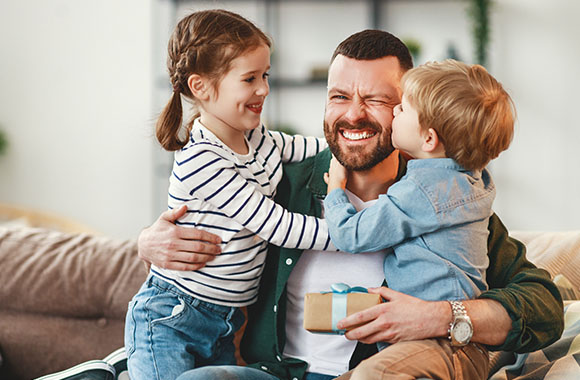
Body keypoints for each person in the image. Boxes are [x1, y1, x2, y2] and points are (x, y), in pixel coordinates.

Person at [138, 30, 564, 380]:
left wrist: (439, 317)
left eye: (377, 101)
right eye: (339, 96)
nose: (353, 115)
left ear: (412, 113)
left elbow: (544, 307)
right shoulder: (281, 184)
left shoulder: (444, 201)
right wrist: (147, 245)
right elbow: (205, 240)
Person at [125, 10, 335, 380]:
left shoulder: (259, 139)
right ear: (201, 87)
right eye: (250, 79)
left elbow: (320, 148)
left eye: (265, 76)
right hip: (174, 317)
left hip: (224, 321)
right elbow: (277, 226)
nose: (264, 89)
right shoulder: (202, 159)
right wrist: (352, 233)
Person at [323, 59, 515, 379]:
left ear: (428, 139)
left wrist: (335, 188)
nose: (396, 112)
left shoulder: (423, 191)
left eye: (402, 108)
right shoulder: (470, 181)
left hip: (441, 347)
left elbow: (349, 234)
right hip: (454, 350)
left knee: (371, 375)